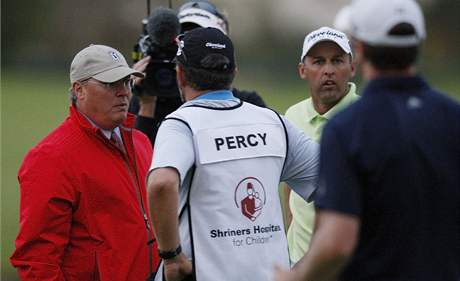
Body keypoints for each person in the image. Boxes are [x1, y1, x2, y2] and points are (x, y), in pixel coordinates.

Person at [274, 0, 460, 280]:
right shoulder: (452, 115)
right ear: (418, 43)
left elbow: (337, 242)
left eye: (337, 59)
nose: (328, 70)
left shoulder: (348, 128)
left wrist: (297, 276)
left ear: (357, 54)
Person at [146, 27, 320, 281]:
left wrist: (172, 256)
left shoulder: (181, 124)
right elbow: (341, 183)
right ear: (233, 73)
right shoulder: (273, 121)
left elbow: (161, 184)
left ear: (180, 75)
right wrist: (311, 261)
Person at [10, 44, 160, 281]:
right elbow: (37, 261)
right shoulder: (50, 158)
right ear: (79, 90)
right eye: (111, 84)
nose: (123, 92)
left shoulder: (141, 142)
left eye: (126, 82)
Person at [130, 0, 266, 146]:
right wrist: (146, 106)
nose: (198, 47)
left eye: (209, 39)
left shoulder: (249, 104)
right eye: (187, 38)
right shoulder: (147, 98)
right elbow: (137, 163)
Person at [283, 26, 358, 264]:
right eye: (318, 62)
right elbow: (290, 184)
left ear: (352, 68)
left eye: (337, 61)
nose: (328, 70)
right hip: (299, 261)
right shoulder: (292, 116)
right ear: (302, 70)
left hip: (350, 264)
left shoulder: (366, 117)